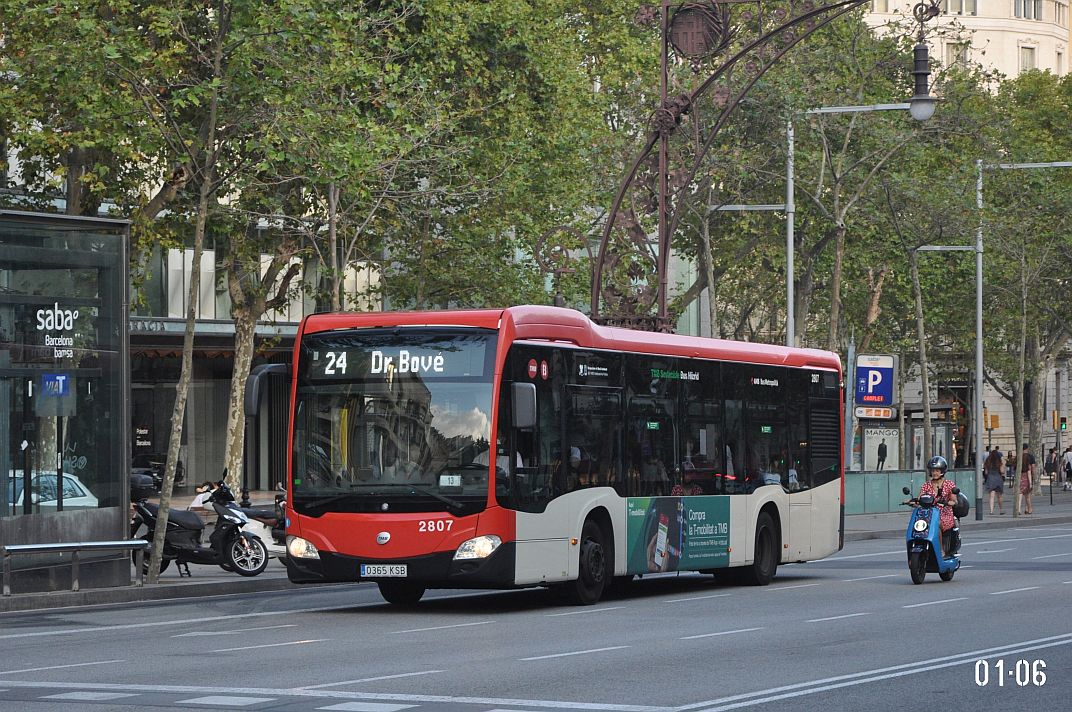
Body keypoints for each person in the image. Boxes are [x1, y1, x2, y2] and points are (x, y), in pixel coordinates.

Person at [905, 455, 959, 556]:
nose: (935, 473)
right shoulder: (926, 485)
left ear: (942, 471)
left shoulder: (949, 484)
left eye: (937, 471)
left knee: (936, 524)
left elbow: (953, 500)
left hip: (944, 514)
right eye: (933, 471)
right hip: (928, 514)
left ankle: (941, 549)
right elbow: (919, 499)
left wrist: (948, 502)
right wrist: (911, 502)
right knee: (916, 524)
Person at [983, 447, 1005, 515]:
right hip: (998, 479)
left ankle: (991, 511)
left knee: (991, 496)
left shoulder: (987, 462)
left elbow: (986, 472)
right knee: (999, 496)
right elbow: (1002, 471)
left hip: (990, 479)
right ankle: (1001, 510)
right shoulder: (999, 462)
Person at [1018, 443, 1035, 515]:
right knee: (1027, 495)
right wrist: (1033, 475)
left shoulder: (1018, 457)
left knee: (1020, 494)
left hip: (1019, 476)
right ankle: (1028, 509)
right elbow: (1033, 467)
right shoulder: (1030, 457)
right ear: (1027, 448)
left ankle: (1018, 509)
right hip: (1027, 477)